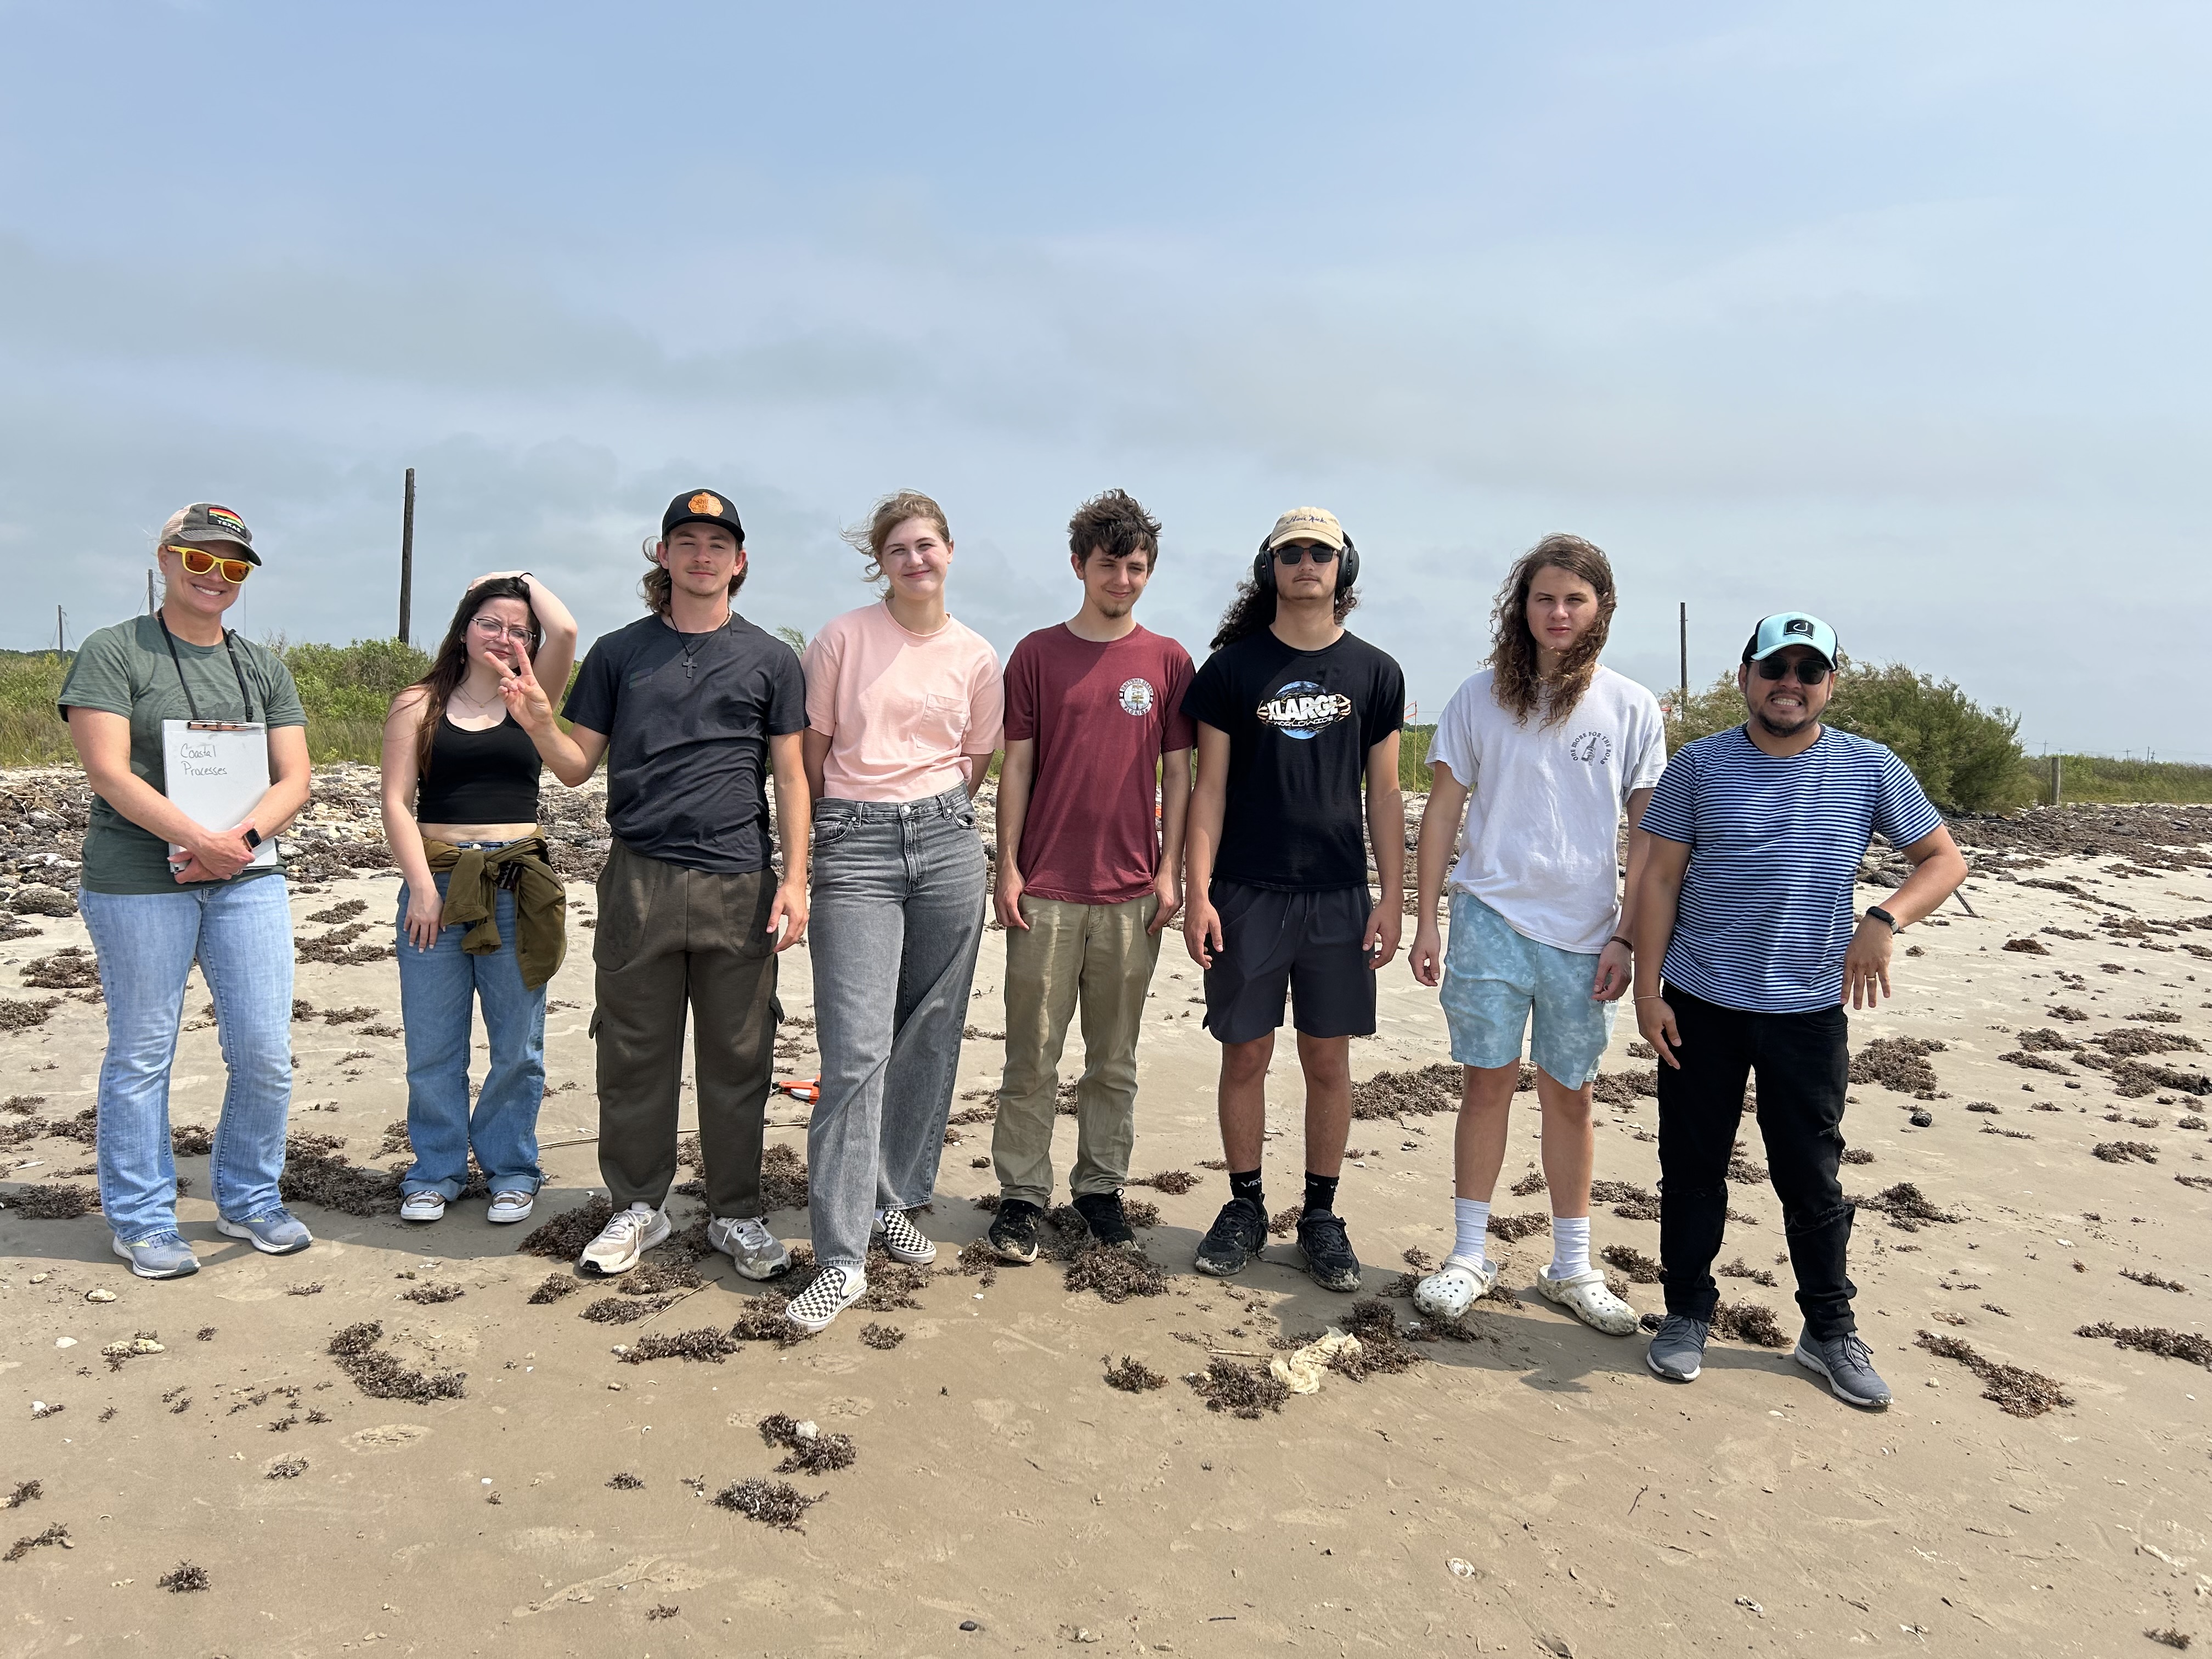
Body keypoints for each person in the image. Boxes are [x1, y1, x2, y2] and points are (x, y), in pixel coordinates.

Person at [1632, 613, 1967, 1407]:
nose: (1791, 683)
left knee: (1811, 1176)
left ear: (1830, 685)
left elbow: (1943, 859)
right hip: (1701, 1000)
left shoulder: (1870, 766)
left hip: (1809, 1008)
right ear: (1746, 675)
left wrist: (1882, 921)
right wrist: (1649, 992)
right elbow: (1658, 882)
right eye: (1775, 666)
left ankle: (1828, 1330)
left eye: (1808, 670)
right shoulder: (1699, 767)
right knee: (1691, 1168)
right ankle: (1685, 1314)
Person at [503, 490, 810, 1281]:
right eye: (686, 541)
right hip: (638, 877)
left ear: (738, 562)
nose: (701, 555)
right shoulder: (618, 653)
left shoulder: (773, 659)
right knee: (634, 1053)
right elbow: (576, 767)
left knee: (738, 1056)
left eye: (717, 544)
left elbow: (791, 776)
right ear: (662, 556)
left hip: (740, 879)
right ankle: (638, 1207)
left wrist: (796, 879)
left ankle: (736, 1212)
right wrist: (539, 719)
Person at [1407, 536, 1665, 1334]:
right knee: (1485, 1083)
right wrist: (1426, 920)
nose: (1559, 613)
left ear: (1602, 611)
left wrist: (1628, 936)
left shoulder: (1632, 706)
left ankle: (1571, 1266)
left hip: (1586, 934)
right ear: (1521, 607)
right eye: (1545, 598)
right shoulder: (1478, 698)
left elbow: (1650, 836)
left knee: (1571, 1094)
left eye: (1576, 600)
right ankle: (1470, 1254)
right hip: (1488, 917)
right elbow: (1443, 814)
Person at [59, 504, 314, 1278]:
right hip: (139, 882)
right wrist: (195, 841)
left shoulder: (262, 665)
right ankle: (140, 1218)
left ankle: (250, 1198)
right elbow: (107, 772)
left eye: (233, 567)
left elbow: (296, 777)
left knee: (266, 1051)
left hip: (246, 878)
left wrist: (232, 847)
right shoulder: (114, 651)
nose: (216, 578)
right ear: (166, 560)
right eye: (200, 561)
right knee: (143, 1052)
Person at [1181, 506, 1405, 1293]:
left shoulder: (1377, 672)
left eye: (1322, 552)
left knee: (1328, 1059)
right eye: (1292, 552)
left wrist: (1393, 897)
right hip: (1246, 892)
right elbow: (1207, 791)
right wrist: (1196, 893)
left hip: (1341, 895)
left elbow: (1384, 793)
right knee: (1245, 1053)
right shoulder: (1231, 671)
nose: (1307, 562)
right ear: (1269, 568)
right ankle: (1244, 1205)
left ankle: (1320, 1214)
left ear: (1344, 566)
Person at [794, 491, 1003, 1332]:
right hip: (854, 843)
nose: (916, 560)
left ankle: (894, 1198)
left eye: (928, 546)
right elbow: (808, 761)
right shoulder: (841, 638)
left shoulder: (978, 655)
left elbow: (975, 760)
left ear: (951, 551)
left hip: (948, 843)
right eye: (899, 549)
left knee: (930, 1030)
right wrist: (810, 856)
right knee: (854, 1051)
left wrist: (934, 819)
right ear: (880, 561)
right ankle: (840, 1260)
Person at [986, 490, 1194, 1262]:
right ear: (1080, 565)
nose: (1123, 580)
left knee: (1114, 1058)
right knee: (1031, 1053)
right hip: (1045, 889)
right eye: (1110, 565)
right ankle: (1021, 1195)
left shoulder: (1169, 661)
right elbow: (1016, 768)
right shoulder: (1037, 653)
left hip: (1132, 893)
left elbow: (1180, 774)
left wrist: (1170, 872)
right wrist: (1006, 866)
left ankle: (1101, 1189)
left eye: (1137, 567)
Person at [379, 572, 578, 1227]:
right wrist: (420, 890)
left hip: (518, 883)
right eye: (490, 622)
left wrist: (519, 579)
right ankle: (434, 1171)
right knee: (434, 1044)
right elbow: (395, 803)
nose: (504, 636)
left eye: (519, 630)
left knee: (518, 1044)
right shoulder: (418, 703)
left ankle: (512, 1169)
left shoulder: (530, 693)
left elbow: (569, 630)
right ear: (463, 628)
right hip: (434, 878)